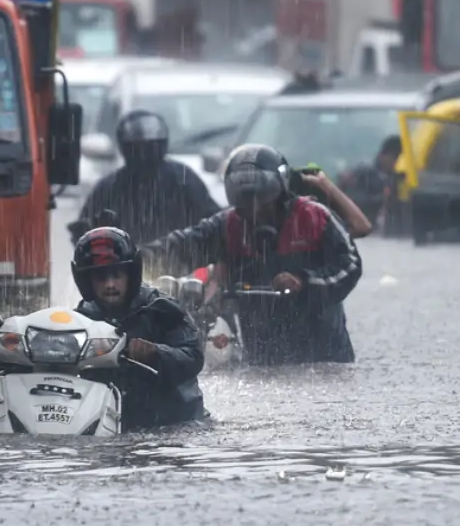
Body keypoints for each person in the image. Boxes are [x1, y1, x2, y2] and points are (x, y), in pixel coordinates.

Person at [0, 226, 207, 432]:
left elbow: (193, 357)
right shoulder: (82, 319)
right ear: (86, 280)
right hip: (107, 425)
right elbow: (39, 364)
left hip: (173, 424)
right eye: (100, 277)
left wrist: (154, 352)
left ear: (132, 274)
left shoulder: (162, 310)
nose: (110, 284)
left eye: (117, 275)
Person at [141, 143, 362, 366]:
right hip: (261, 357)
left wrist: (304, 282)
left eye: (262, 201)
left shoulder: (314, 216)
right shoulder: (228, 225)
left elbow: (350, 265)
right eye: (245, 203)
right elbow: (180, 246)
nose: (255, 211)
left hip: (325, 355)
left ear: (281, 194)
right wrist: (131, 259)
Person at [69, 110, 221, 248]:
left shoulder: (182, 178)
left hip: (181, 264)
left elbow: (212, 218)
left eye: (151, 147)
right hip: (126, 268)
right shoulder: (110, 187)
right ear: (125, 148)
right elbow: (85, 231)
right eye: (138, 148)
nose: (144, 155)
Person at [338, 135, 402, 235]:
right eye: (395, 159)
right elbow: (354, 200)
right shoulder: (366, 173)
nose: (396, 164)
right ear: (385, 155)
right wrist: (381, 198)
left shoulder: (394, 178)